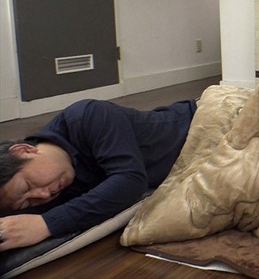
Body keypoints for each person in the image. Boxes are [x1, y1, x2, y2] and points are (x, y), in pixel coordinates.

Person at [0, 98, 196, 252]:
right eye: (28, 203)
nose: (42, 195)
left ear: (24, 150)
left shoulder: (88, 115)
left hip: (197, 126)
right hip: (184, 170)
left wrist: (47, 224)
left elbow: (130, 180)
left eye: (28, 185)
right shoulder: (48, 186)